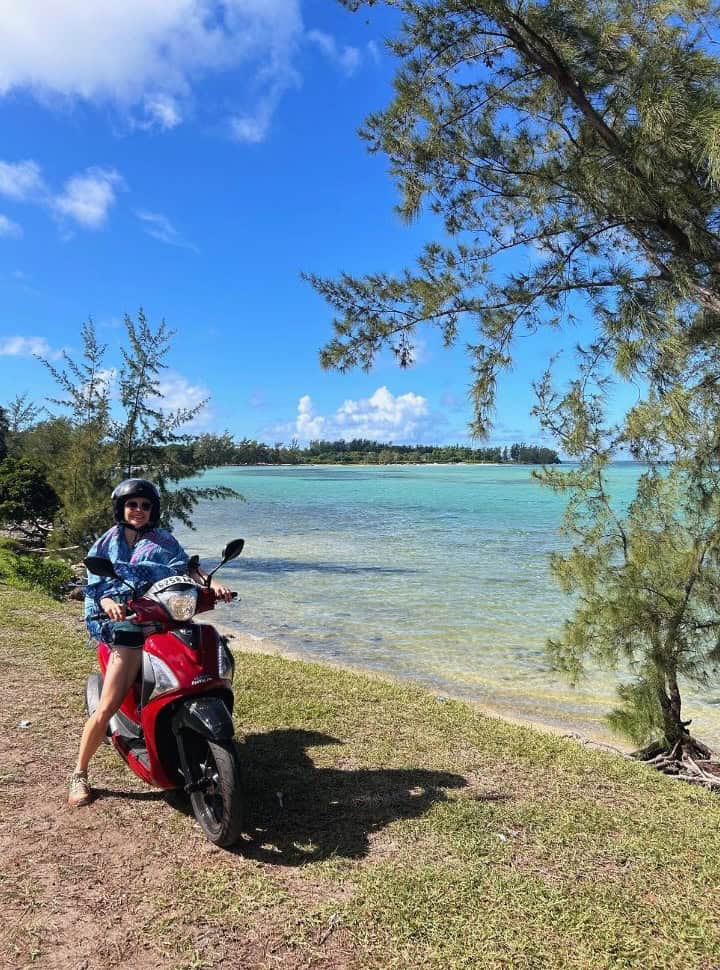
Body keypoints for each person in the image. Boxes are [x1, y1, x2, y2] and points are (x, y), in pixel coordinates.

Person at [68, 478, 231, 808]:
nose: (138, 510)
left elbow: (186, 569)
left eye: (145, 505)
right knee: (107, 706)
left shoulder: (163, 540)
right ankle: (79, 773)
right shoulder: (105, 545)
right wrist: (107, 604)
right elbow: (96, 585)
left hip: (161, 617)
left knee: (196, 660)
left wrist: (215, 585)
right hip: (125, 625)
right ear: (121, 509)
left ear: (153, 510)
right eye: (132, 505)